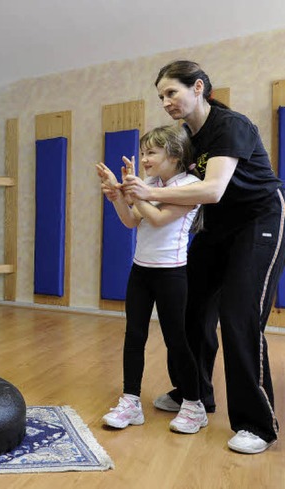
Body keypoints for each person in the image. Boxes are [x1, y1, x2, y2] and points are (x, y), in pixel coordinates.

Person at [122, 60, 285, 454]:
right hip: (218, 228)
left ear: (198, 88)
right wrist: (125, 190)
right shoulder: (185, 139)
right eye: (160, 96)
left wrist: (149, 194)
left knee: (238, 317)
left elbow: (211, 190)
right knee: (189, 310)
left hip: (259, 221)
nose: (165, 101)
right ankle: (194, 394)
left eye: (171, 92)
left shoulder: (231, 126)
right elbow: (169, 186)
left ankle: (256, 424)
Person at [97, 125, 208, 434]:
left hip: (171, 273)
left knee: (176, 339)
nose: (144, 158)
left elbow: (159, 218)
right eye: (143, 152)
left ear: (174, 155)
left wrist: (131, 192)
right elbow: (132, 220)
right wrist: (118, 197)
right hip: (141, 270)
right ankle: (131, 401)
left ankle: (194, 405)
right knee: (134, 335)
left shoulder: (191, 185)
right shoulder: (149, 183)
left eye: (151, 153)